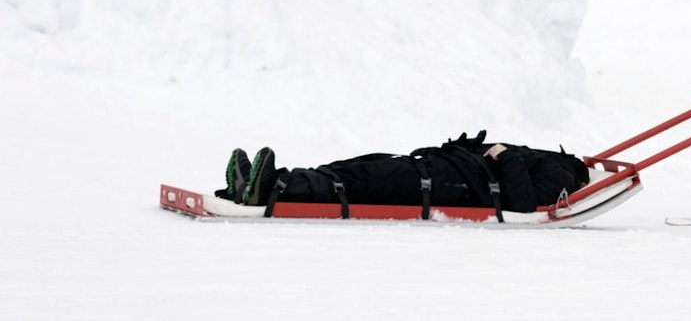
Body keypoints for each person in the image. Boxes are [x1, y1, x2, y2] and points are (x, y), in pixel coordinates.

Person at [215, 130, 590, 216]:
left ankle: (271, 189)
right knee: (356, 168)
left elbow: (523, 203)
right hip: (437, 169)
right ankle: (266, 182)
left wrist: (505, 157)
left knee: (361, 182)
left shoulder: (561, 175)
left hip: (449, 185)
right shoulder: (548, 162)